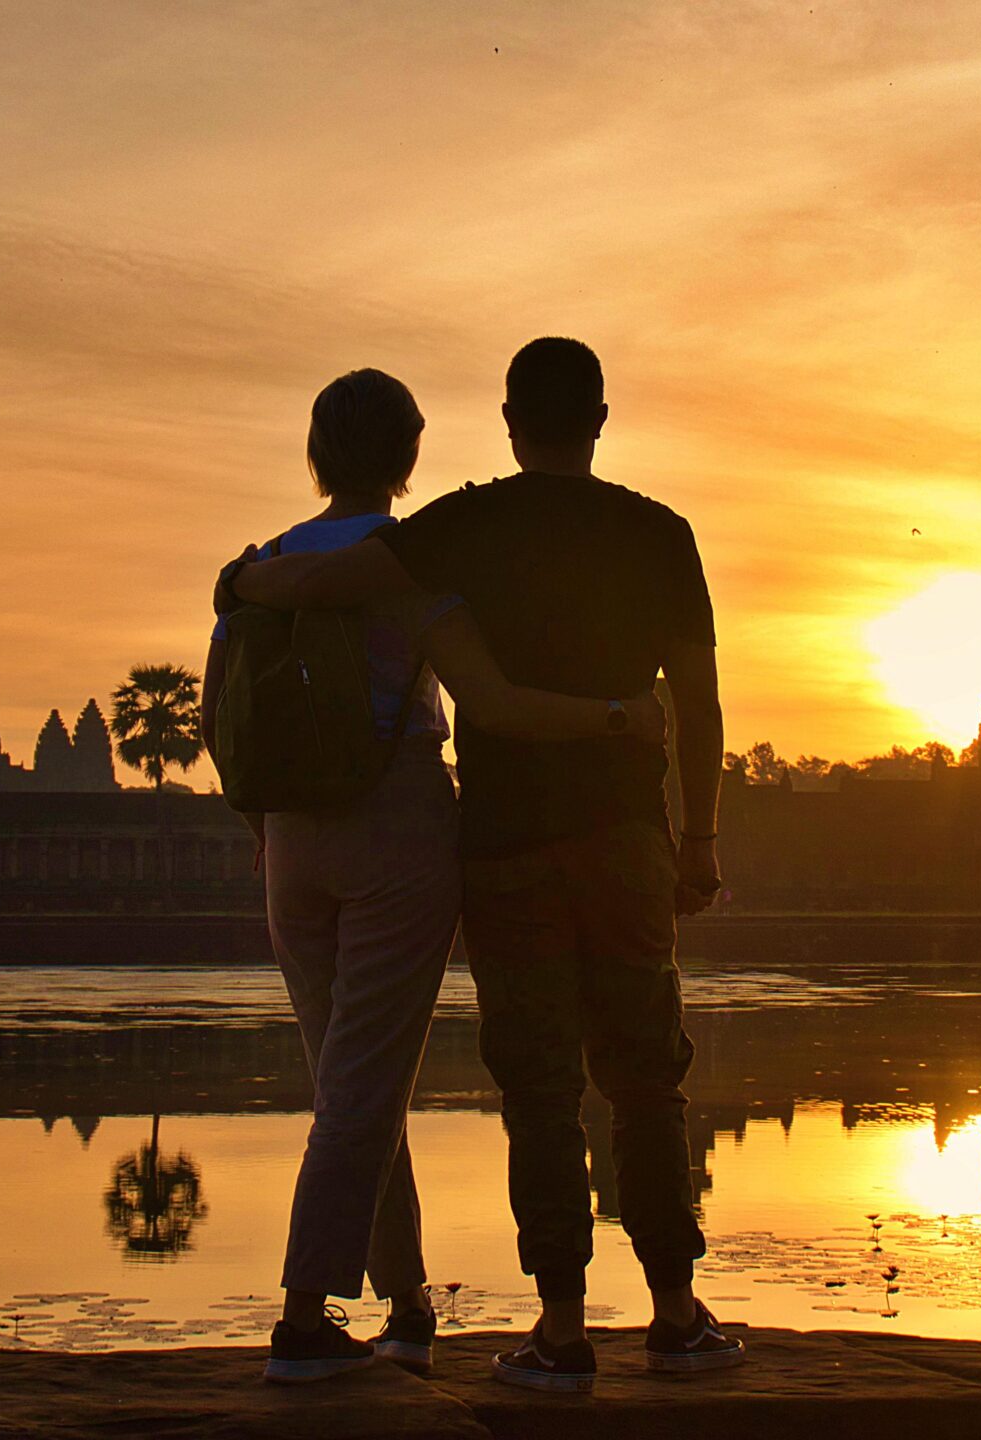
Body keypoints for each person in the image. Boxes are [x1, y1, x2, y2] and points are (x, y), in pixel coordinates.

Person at [226, 338, 742, 1393]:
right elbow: (697, 704)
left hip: (499, 846)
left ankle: (556, 1328)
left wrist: (242, 579)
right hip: (622, 836)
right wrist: (698, 840)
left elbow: (324, 581)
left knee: (533, 1085)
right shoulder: (659, 533)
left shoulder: (459, 527)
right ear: (600, 420)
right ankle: (674, 1313)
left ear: (509, 423)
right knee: (647, 1075)